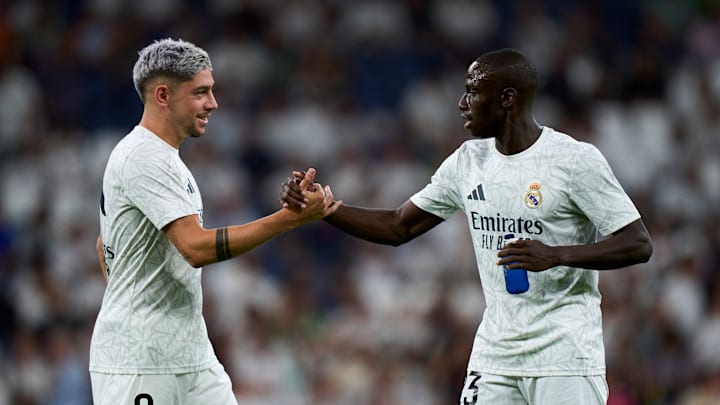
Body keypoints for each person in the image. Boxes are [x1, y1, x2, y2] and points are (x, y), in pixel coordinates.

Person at [280, 48, 653, 405]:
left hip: (564, 355)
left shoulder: (574, 161)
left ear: (507, 98)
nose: (462, 104)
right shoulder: (468, 161)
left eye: (473, 92)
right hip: (496, 354)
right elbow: (397, 226)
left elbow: (637, 243)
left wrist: (556, 255)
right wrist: (326, 209)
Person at [90, 38, 340, 405]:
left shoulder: (165, 158)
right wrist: (287, 220)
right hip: (141, 361)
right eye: (200, 93)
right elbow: (195, 247)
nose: (213, 103)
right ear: (163, 95)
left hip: (189, 351)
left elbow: (104, 244)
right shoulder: (144, 157)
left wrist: (135, 293)